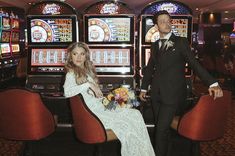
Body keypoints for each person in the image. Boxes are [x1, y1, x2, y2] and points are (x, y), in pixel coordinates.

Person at [139, 10, 223, 156]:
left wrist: (212, 83)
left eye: (168, 20)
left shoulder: (181, 42)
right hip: (156, 95)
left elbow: (194, 64)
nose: (166, 23)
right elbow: (149, 68)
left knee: (160, 130)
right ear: (156, 25)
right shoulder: (155, 44)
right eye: (162, 21)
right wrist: (144, 88)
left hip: (172, 94)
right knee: (162, 128)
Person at [63, 42, 155, 156]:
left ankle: (143, 152)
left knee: (132, 105)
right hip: (93, 114)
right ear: (70, 56)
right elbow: (67, 92)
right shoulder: (71, 73)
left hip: (100, 105)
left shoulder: (86, 71)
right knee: (132, 117)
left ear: (86, 56)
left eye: (82, 54)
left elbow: (93, 95)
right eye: (75, 54)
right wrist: (89, 85)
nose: (78, 57)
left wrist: (100, 93)